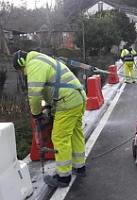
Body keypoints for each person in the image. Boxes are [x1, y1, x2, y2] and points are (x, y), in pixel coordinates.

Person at [13, 50, 87, 188]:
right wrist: (48, 106)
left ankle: (63, 177)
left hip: (67, 102)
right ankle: (79, 167)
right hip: (78, 98)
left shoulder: (34, 65)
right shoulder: (44, 59)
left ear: (22, 63)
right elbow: (52, 86)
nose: (23, 73)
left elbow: (34, 95)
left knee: (60, 138)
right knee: (76, 133)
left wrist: (36, 114)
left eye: (21, 70)